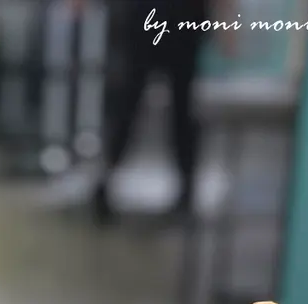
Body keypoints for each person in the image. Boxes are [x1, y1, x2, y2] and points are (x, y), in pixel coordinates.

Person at [73, 0, 236, 222]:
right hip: (151, 17)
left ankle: (182, 190)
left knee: (169, 109)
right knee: (130, 105)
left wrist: (226, 23)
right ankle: (106, 180)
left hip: (175, 19)